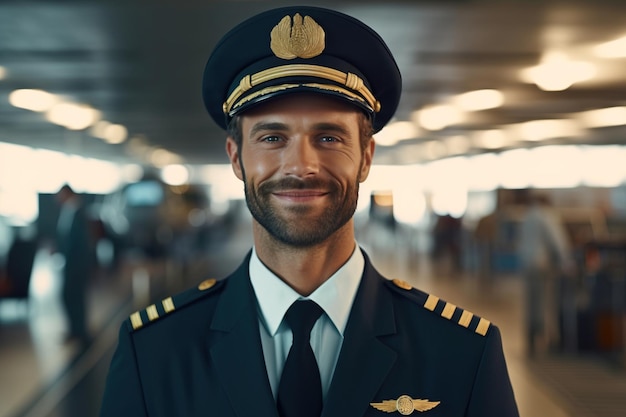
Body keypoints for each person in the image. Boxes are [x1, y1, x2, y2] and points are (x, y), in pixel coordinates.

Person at [100, 6, 519, 416]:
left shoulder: (461, 352)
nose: (301, 166)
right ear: (235, 157)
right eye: (272, 137)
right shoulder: (152, 352)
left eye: (329, 137)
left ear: (366, 157)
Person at [518, 192, 574, 356]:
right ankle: (545, 340)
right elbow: (557, 241)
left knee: (530, 302)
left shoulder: (527, 216)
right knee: (543, 303)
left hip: (527, 264)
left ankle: (530, 338)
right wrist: (567, 262)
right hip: (542, 265)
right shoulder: (547, 216)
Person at [55, 184, 92, 346]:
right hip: (70, 262)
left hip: (77, 264)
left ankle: (80, 331)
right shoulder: (68, 211)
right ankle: (75, 330)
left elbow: (82, 242)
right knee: (69, 297)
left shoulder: (79, 212)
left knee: (75, 297)